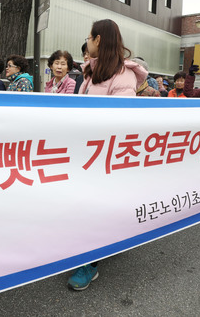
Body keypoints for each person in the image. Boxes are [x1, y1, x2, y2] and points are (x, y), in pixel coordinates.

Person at [70, 19, 147, 291]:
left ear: (99, 39)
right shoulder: (89, 73)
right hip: (85, 151)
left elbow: (121, 118)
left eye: (89, 37)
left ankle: (90, 263)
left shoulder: (123, 76)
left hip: (107, 154)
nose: (87, 41)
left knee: (97, 208)